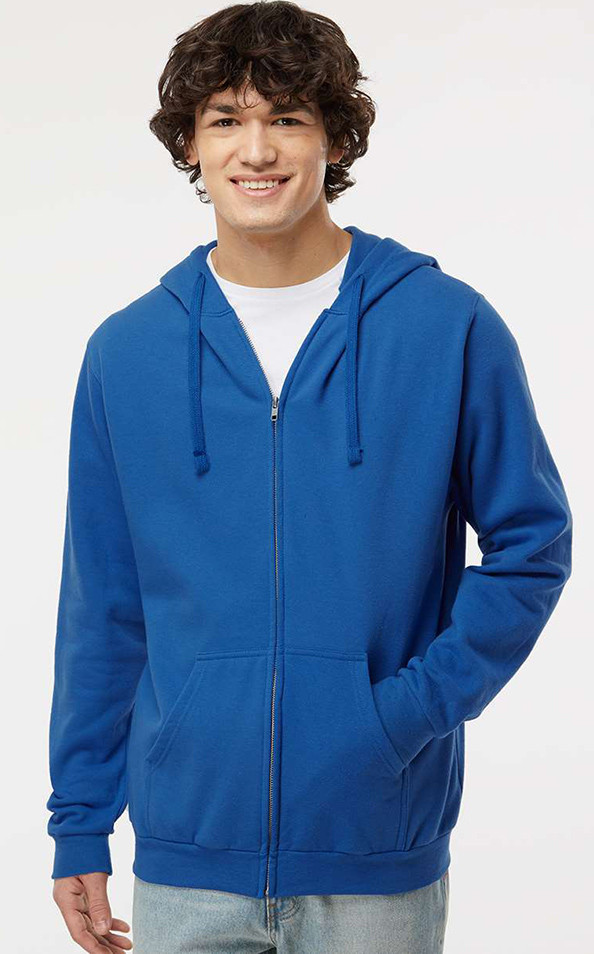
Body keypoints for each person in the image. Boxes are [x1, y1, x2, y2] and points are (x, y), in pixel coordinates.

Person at [46, 2, 573, 952]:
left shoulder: (444, 326)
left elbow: (532, 546)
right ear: (191, 144)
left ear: (335, 136)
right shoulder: (127, 352)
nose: (257, 150)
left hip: (377, 850)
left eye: (286, 117)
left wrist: (400, 716)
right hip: (186, 859)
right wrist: (80, 818)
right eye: (226, 119)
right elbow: (105, 603)